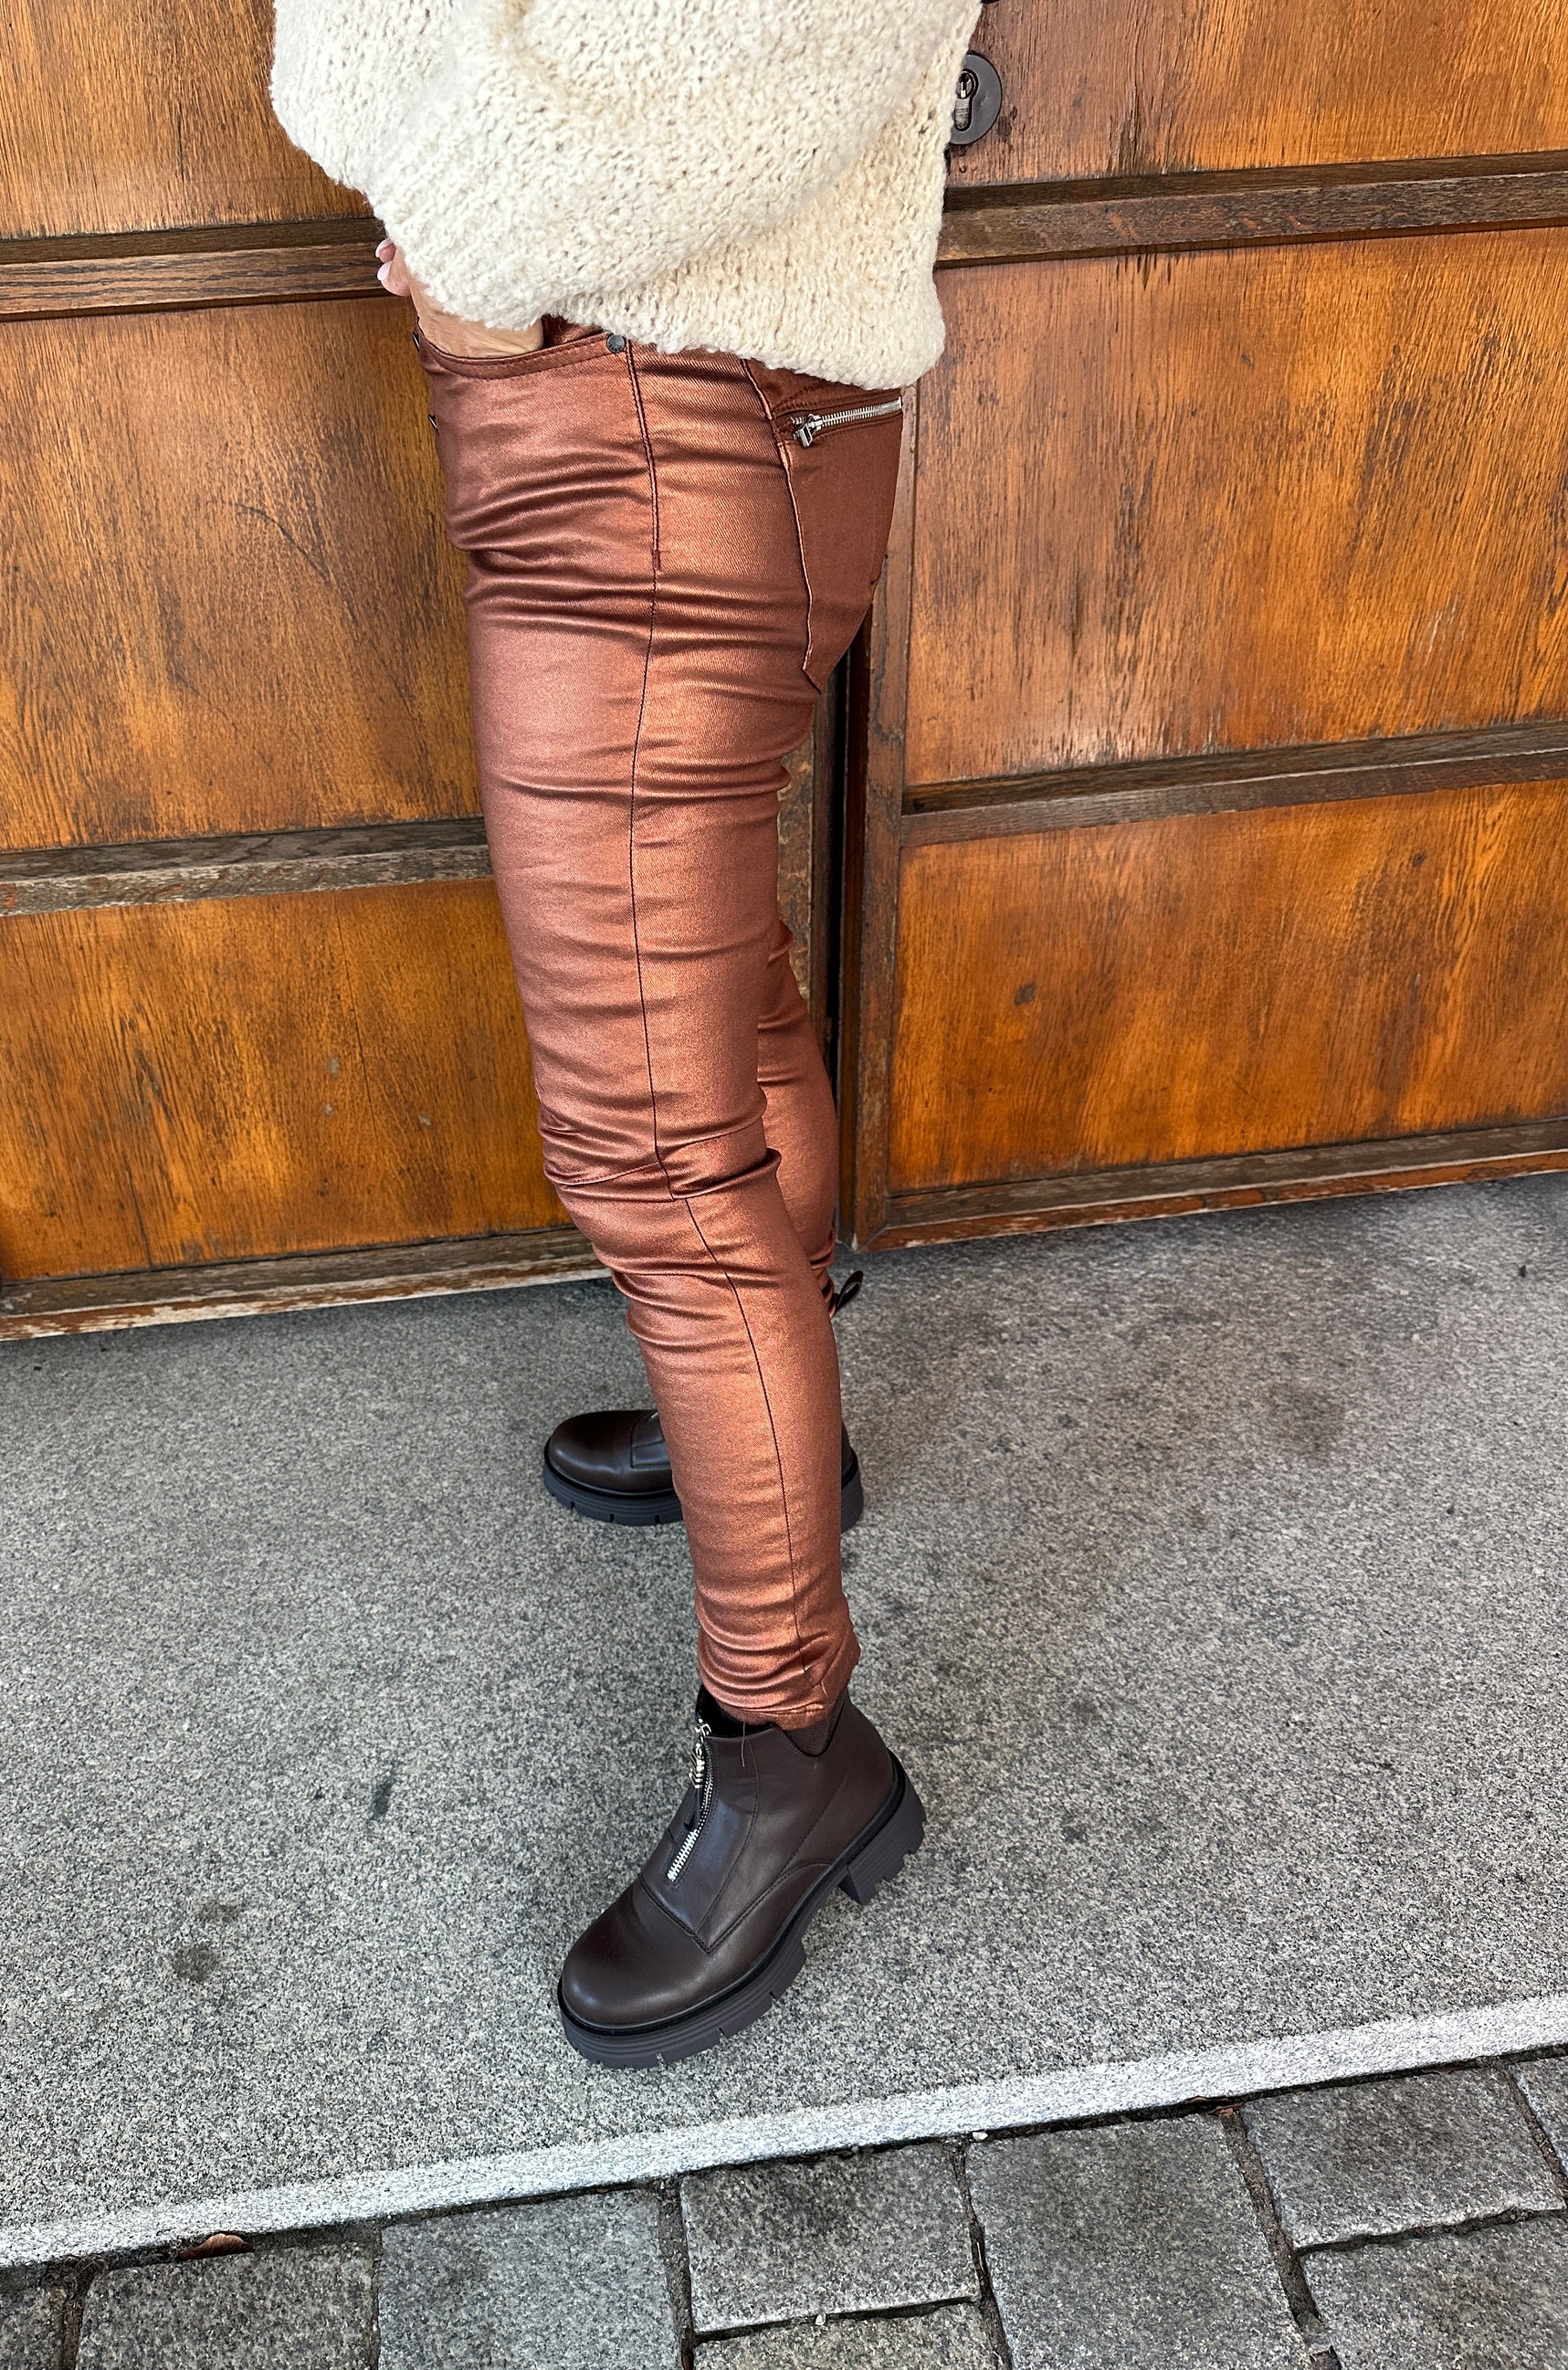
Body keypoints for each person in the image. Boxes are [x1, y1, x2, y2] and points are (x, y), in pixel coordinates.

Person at [270, 0, 981, 2066]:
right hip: (705, 408)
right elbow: (339, 58)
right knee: (721, 1001)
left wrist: (477, 247)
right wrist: (475, 221)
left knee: (651, 1155)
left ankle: (792, 1754)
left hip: (650, 434)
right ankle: (778, 1442)